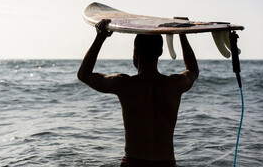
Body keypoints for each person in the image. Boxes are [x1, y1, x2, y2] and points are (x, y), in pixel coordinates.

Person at [77, 19, 199, 167]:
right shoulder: (175, 84)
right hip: (166, 163)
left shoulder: (124, 84)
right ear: (160, 52)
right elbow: (193, 70)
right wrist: (182, 34)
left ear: (135, 52)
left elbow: (84, 75)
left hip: (134, 162)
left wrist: (100, 37)